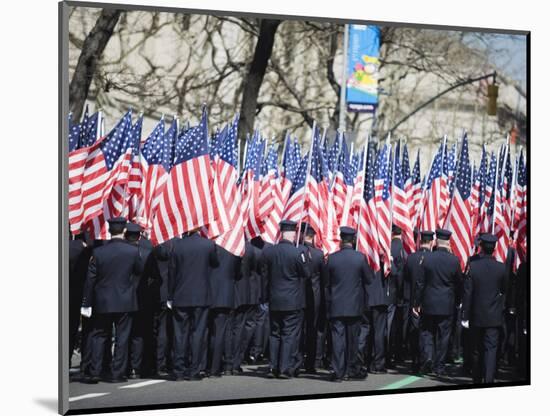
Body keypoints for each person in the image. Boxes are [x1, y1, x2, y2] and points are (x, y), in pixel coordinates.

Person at [80, 217, 140, 383]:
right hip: (125, 299)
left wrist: (87, 302)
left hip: (103, 300)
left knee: (99, 336)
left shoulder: (99, 252)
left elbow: (90, 279)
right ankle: (117, 373)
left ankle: (95, 371)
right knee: (122, 338)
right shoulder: (132, 251)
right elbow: (139, 270)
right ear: (124, 231)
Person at [168, 229, 219, 381]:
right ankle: (194, 369)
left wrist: (170, 295)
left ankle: (178, 370)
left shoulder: (177, 245)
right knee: (198, 333)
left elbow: (172, 271)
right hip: (201, 296)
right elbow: (215, 263)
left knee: (179, 334)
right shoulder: (208, 245)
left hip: (181, 295)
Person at [323, 227, 374, 381]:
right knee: (353, 340)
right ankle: (351, 370)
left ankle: (339, 372)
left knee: (338, 340)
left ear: (341, 240)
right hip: (354, 306)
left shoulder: (332, 258)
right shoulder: (360, 258)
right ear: (352, 240)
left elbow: (326, 282)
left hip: (337, 305)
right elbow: (369, 279)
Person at [262, 220, 309, 379]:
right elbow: (306, 273)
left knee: (275, 334)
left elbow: (265, 275)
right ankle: (284, 368)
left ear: (281, 232)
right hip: (292, 300)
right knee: (289, 335)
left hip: (274, 299)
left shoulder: (269, 252)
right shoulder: (297, 253)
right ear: (293, 233)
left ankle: (272, 367)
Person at [414, 228, 462, 377]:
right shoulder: (454, 260)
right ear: (448, 242)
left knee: (427, 332)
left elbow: (420, 283)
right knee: (443, 335)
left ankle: (428, 356)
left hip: (429, 302)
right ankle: (439, 366)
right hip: (446, 303)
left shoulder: (427, 258)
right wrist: (458, 301)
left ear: (436, 242)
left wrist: (417, 302)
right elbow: (459, 283)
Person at [462, 234, 507, 384]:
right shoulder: (501, 268)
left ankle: (477, 379)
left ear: (481, 247)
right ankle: (488, 379)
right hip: (494, 316)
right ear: (494, 249)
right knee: (491, 350)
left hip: (476, 315)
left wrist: (465, 316)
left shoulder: (473, 267)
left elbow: (468, 293)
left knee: (476, 349)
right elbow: (504, 290)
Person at [126, 223, 155, 379]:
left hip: (121, 298)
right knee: (138, 334)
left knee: (123, 335)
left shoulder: (117, 250)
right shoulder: (146, 252)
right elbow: (153, 275)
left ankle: (122, 367)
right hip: (141, 298)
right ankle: (135, 368)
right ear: (139, 236)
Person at [207, 244, 241, 377]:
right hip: (225, 295)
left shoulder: (209, 247)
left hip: (209, 294)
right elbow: (238, 273)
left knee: (210, 332)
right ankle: (219, 367)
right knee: (222, 332)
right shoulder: (233, 250)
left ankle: (209, 365)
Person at [403, 230, 433, 372]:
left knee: (415, 331)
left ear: (420, 241)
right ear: (432, 242)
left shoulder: (411, 258)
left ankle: (415, 361)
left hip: (412, 301)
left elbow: (406, 281)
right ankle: (426, 359)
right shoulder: (434, 258)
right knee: (427, 332)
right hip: (429, 301)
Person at [298, 222, 324, 373]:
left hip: (298, 295)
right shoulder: (319, 254)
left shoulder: (297, 251)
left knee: (297, 329)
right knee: (312, 329)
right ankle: (310, 363)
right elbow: (323, 278)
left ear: (302, 234)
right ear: (313, 236)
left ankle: (297, 360)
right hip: (315, 296)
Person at [69, 233, 91, 370]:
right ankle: (86, 364)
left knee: (69, 330)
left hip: (68, 295)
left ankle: (65, 362)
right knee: (88, 331)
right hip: (85, 294)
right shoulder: (88, 251)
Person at [387, 224, 406, 368]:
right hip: (397, 293)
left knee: (389, 325)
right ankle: (395, 354)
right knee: (394, 326)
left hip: (388, 291)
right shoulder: (403, 248)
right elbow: (400, 274)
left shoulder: (389, 246)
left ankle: (389, 354)